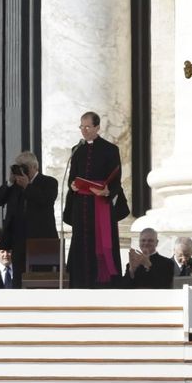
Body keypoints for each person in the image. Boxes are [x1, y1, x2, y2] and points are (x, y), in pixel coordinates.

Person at [64, 111, 123, 288]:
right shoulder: (77, 150)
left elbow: (116, 180)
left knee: (101, 244)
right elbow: (72, 177)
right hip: (81, 208)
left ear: (97, 127)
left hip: (100, 206)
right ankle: (79, 283)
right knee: (81, 244)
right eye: (82, 127)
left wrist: (106, 191)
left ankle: (103, 284)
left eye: (88, 127)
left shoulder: (110, 149)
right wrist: (72, 186)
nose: (84, 130)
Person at [0, 151, 57, 288]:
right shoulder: (14, 186)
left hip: (41, 240)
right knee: (19, 279)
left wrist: (28, 186)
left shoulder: (49, 182)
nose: (21, 170)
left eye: (24, 167)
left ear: (34, 167)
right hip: (18, 239)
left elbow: (45, 200)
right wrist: (9, 182)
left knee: (40, 278)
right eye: (18, 167)